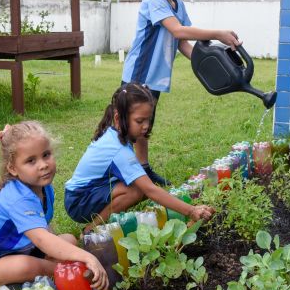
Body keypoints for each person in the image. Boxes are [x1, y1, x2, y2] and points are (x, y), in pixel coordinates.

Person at [122, 0, 242, 186]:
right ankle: (119, 172)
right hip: (139, 75)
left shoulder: (177, 5)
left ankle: (142, 169)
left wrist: (213, 63)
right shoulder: (152, 0)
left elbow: (184, 44)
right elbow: (178, 31)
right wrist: (218, 33)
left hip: (155, 78)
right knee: (127, 127)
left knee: (145, 124)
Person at [0, 121, 109, 290]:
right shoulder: (18, 198)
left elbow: (44, 229)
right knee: (25, 266)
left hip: (20, 249)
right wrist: (86, 257)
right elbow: (42, 239)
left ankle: (42, 273)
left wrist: (61, 251)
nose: (43, 164)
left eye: (46, 155)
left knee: (68, 239)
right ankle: (60, 272)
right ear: (13, 169)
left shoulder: (43, 187)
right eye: (31, 160)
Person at [64, 83, 215, 228]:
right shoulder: (117, 150)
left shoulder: (116, 134)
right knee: (137, 190)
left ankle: (108, 215)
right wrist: (191, 210)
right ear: (118, 118)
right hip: (79, 200)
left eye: (148, 119)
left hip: (87, 193)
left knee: (140, 187)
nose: (146, 126)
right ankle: (91, 230)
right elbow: (149, 189)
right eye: (139, 121)